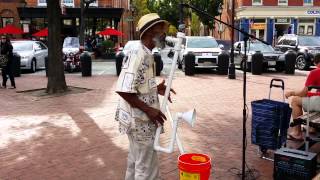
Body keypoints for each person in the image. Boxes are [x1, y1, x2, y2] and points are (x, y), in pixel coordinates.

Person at [115, 13, 175, 180]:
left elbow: (136, 86)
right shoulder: (139, 54)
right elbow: (123, 89)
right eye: (161, 30)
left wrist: (156, 89)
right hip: (139, 121)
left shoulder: (146, 53)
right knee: (146, 168)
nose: (164, 34)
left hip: (138, 120)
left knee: (135, 162)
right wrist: (149, 110)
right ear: (150, 32)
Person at [285, 53, 320, 141]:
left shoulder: (315, 72)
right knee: (312, 97)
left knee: (295, 100)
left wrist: (292, 92)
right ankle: (312, 128)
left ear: (317, 63)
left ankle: (297, 133)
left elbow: (303, 93)